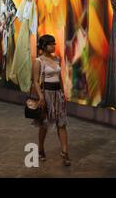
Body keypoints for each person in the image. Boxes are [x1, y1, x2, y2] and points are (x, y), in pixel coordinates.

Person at [33, 34, 71, 166]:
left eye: (54, 43)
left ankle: (65, 153)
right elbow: (36, 82)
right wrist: (41, 97)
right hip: (46, 94)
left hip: (57, 94)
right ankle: (41, 148)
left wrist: (63, 93)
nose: (54, 45)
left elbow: (59, 77)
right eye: (51, 44)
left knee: (62, 123)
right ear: (44, 46)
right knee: (44, 124)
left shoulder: (56, 59)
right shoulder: (39, 61)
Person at [9, 0, 37, 92]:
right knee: (20, 50)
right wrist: (12, 20)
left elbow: (33, 20)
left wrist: (32, 32)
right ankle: (18, 75)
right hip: (23, 29)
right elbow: (19, 12)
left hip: (27, 29)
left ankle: (26, 79)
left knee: (26, 51)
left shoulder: (33, 4)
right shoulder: (25, 1)